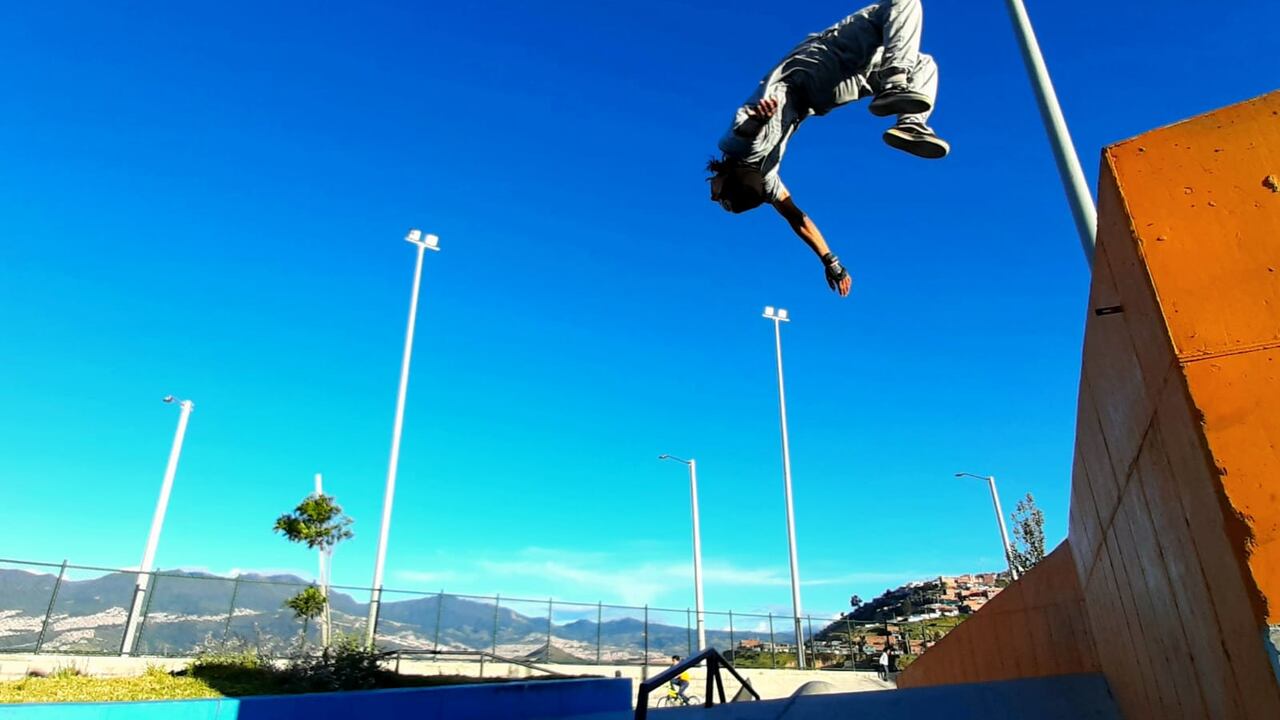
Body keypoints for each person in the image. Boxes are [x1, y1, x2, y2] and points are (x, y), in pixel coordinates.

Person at [708, 0, 949, 297]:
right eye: (717, 195)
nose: (712, 194)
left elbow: (798, 219)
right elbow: (745, 135)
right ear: (731, 179)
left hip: (829, 96)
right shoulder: (736, 150)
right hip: (816, 68)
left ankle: (910, 122)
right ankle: (895, 85)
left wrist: (831, 261)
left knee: (924, 64)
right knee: (903, 3)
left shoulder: (767, 182)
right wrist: (756, 121)